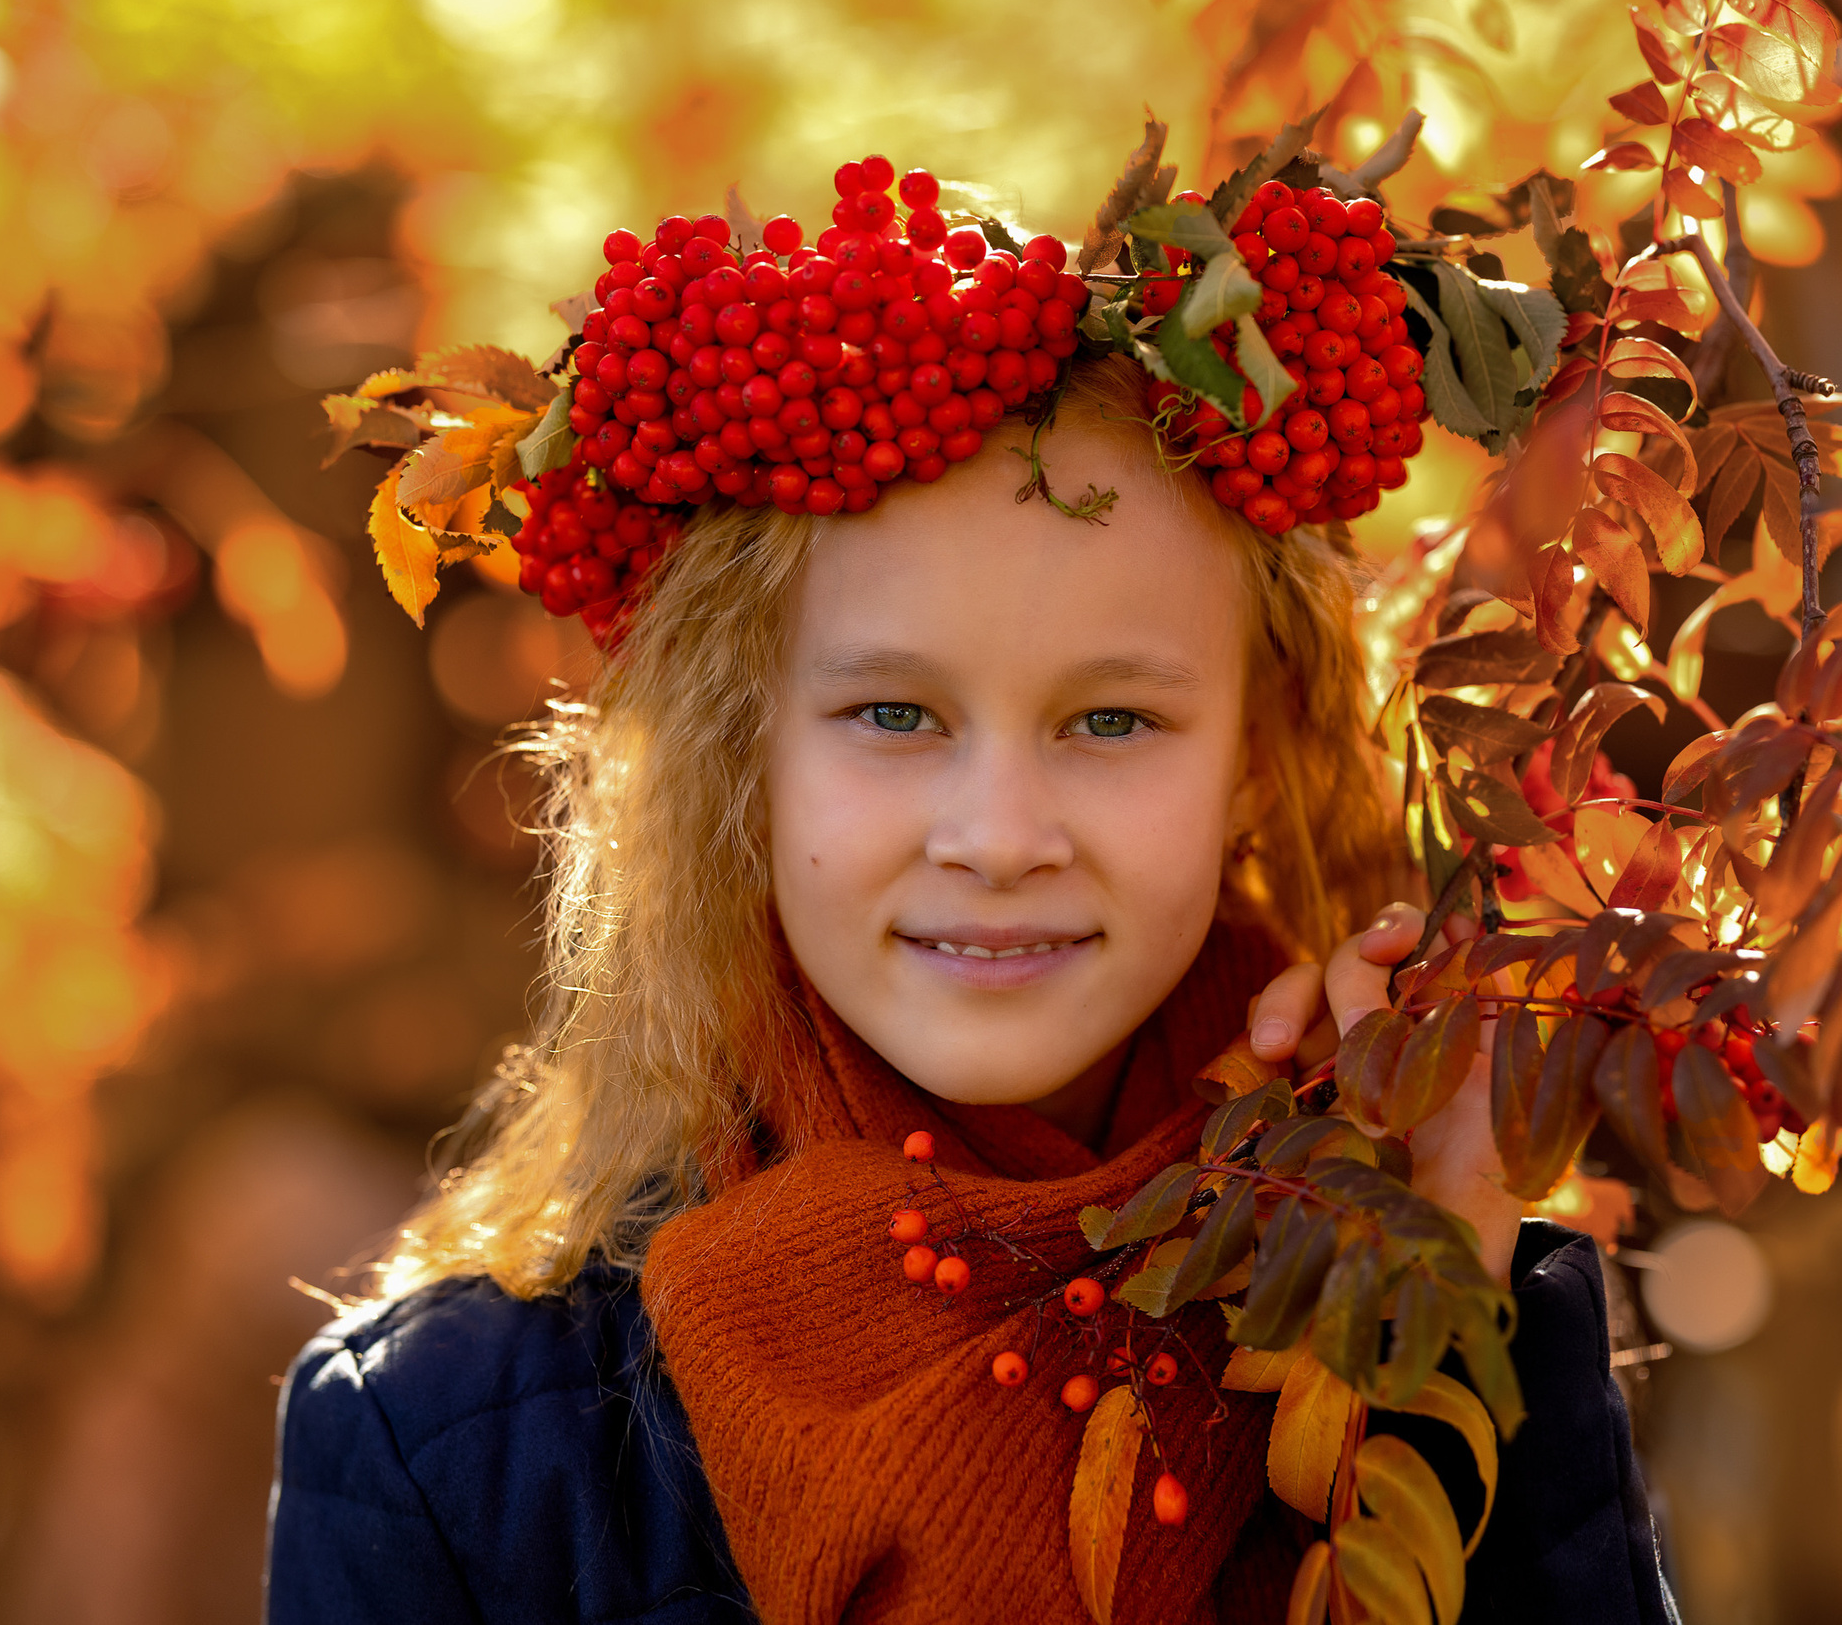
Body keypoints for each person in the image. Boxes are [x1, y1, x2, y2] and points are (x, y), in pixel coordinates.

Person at [265, 350, 1678, 1623]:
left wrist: (1449, 1297)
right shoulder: (446, 1444)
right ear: (743, 755)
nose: (1001, 837)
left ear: (1251, 755)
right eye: (894, 714)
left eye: (1112, 719)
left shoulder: (1432, 1287)